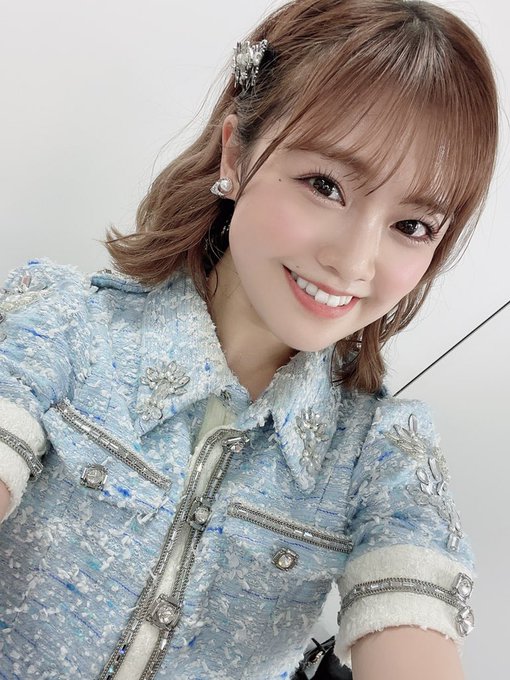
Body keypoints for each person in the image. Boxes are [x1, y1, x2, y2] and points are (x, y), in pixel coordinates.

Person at [0, 0, 498, 678]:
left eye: (412, 226)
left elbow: (414, 616)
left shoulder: (381, 455)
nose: (354, 262)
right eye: (325, 186)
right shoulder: (63, 326)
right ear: (236, 153)